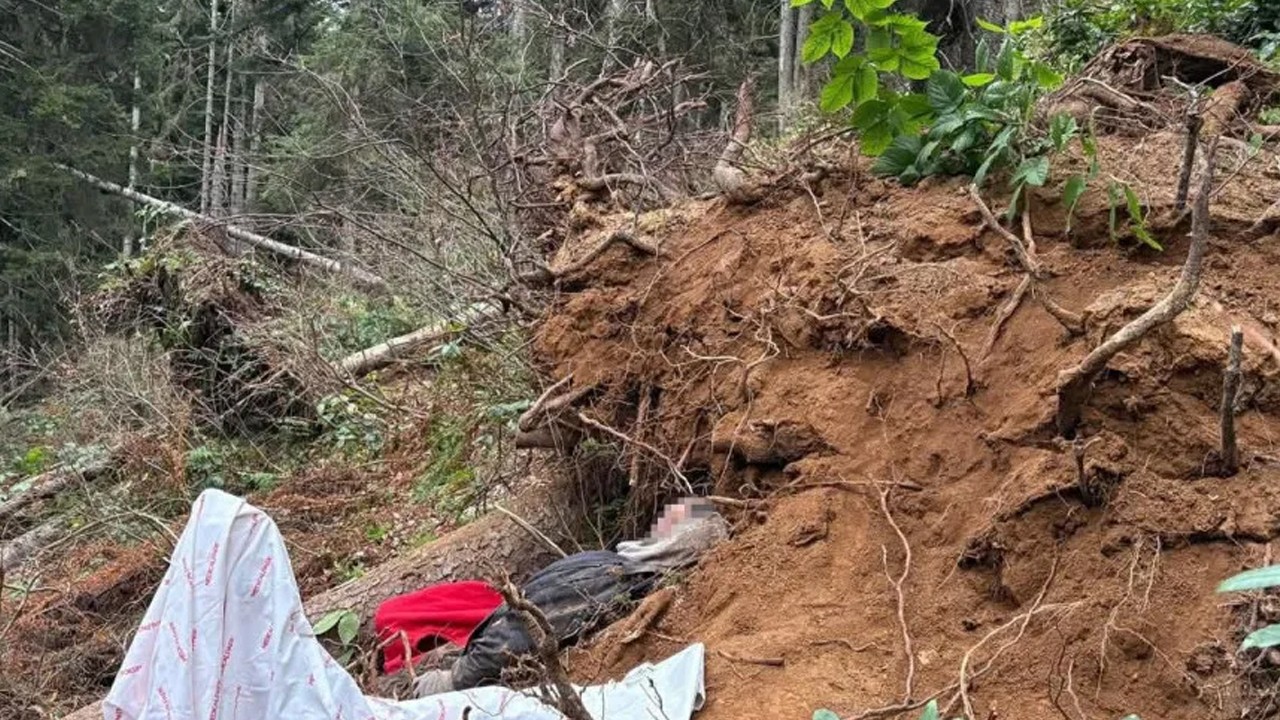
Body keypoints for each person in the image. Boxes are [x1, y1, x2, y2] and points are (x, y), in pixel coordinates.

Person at [413, 497, 729, 697]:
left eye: (674, 521)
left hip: (477, 670)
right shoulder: (611, 563)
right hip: (477, 645)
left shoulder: (615, 582)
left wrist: (457, 678)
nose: (662, 522)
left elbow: (526, 631)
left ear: (677, 543)